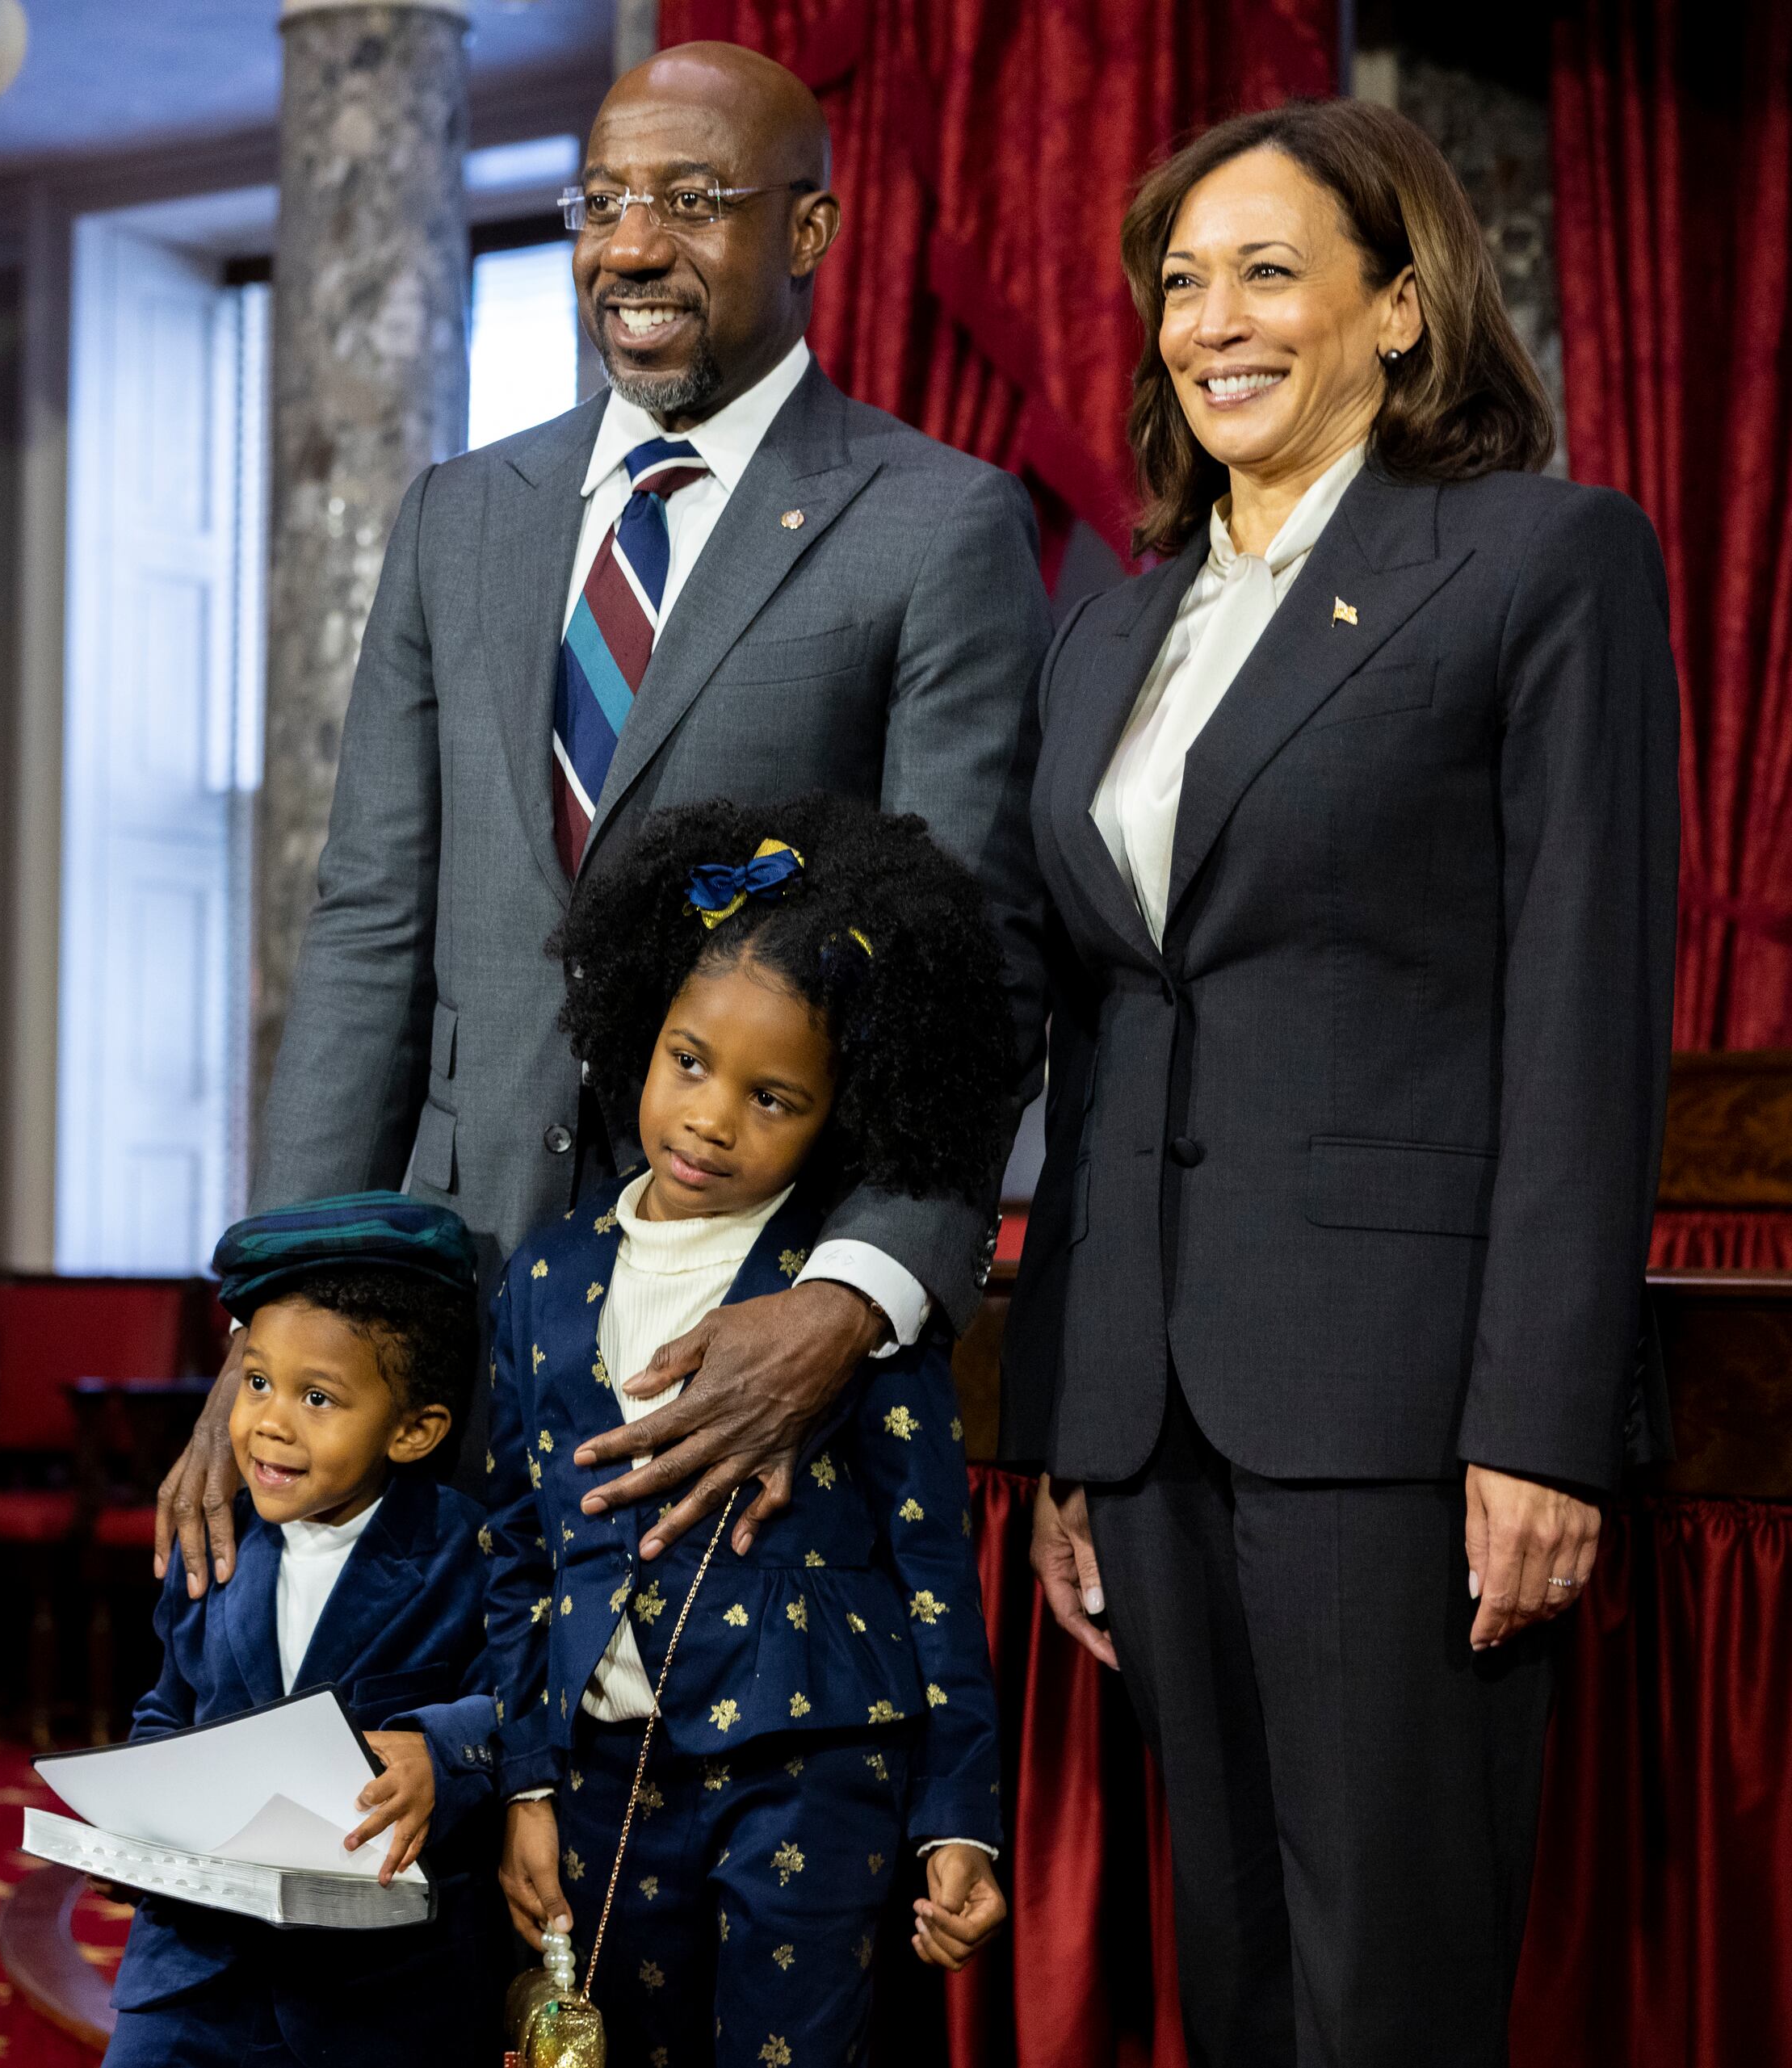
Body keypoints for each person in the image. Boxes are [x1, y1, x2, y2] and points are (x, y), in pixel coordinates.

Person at [157, 41, 1053, 1603]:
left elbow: (966, 969)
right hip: (440, 1309)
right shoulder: (459, 514)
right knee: (408, 1805)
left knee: (686, 1825)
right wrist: (279, 1320)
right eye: (605, 199)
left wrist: (852, 1297)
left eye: (694, 200)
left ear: (808, 234)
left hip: (743, 1320)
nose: (631, 244)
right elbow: (373, 919)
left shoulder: (936, 523)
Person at [1001, 100, 1678, 2068]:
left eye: (1267, 270)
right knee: (1227, 1973)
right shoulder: (1108, 626)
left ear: (1396, 309)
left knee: (1382, 1987)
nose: (1210, 319)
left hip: (1396, 1402)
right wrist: (1064, 1415)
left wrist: (1539, 1423)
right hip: (1143, 1401)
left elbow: (1582, 1009)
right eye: (1179, 282)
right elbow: (1094, 1023)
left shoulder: (1538, 558)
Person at [483, 795, 1014, 2067]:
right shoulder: (546, 1279)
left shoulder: (842, 1306)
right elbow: (517, 1554)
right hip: (605, 1771)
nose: (713, 1116)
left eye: (774, 1095)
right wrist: (525, 1781)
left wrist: (961, 1819)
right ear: (638, 1036)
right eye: (688, 1062)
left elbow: (937, 1575)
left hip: (814, 1774)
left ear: (845, 1108)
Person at [101, 1193, 506, 2068]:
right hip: (194, 1973)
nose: (271, 1421)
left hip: (380, 1995)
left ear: (413, 1429)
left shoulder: (465, 1553)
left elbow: (519, 1705)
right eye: (256, 1382)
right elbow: (170, 1705)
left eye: (317, 1396)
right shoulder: (217, 1546)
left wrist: (441, 1751)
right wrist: (129, 1820)